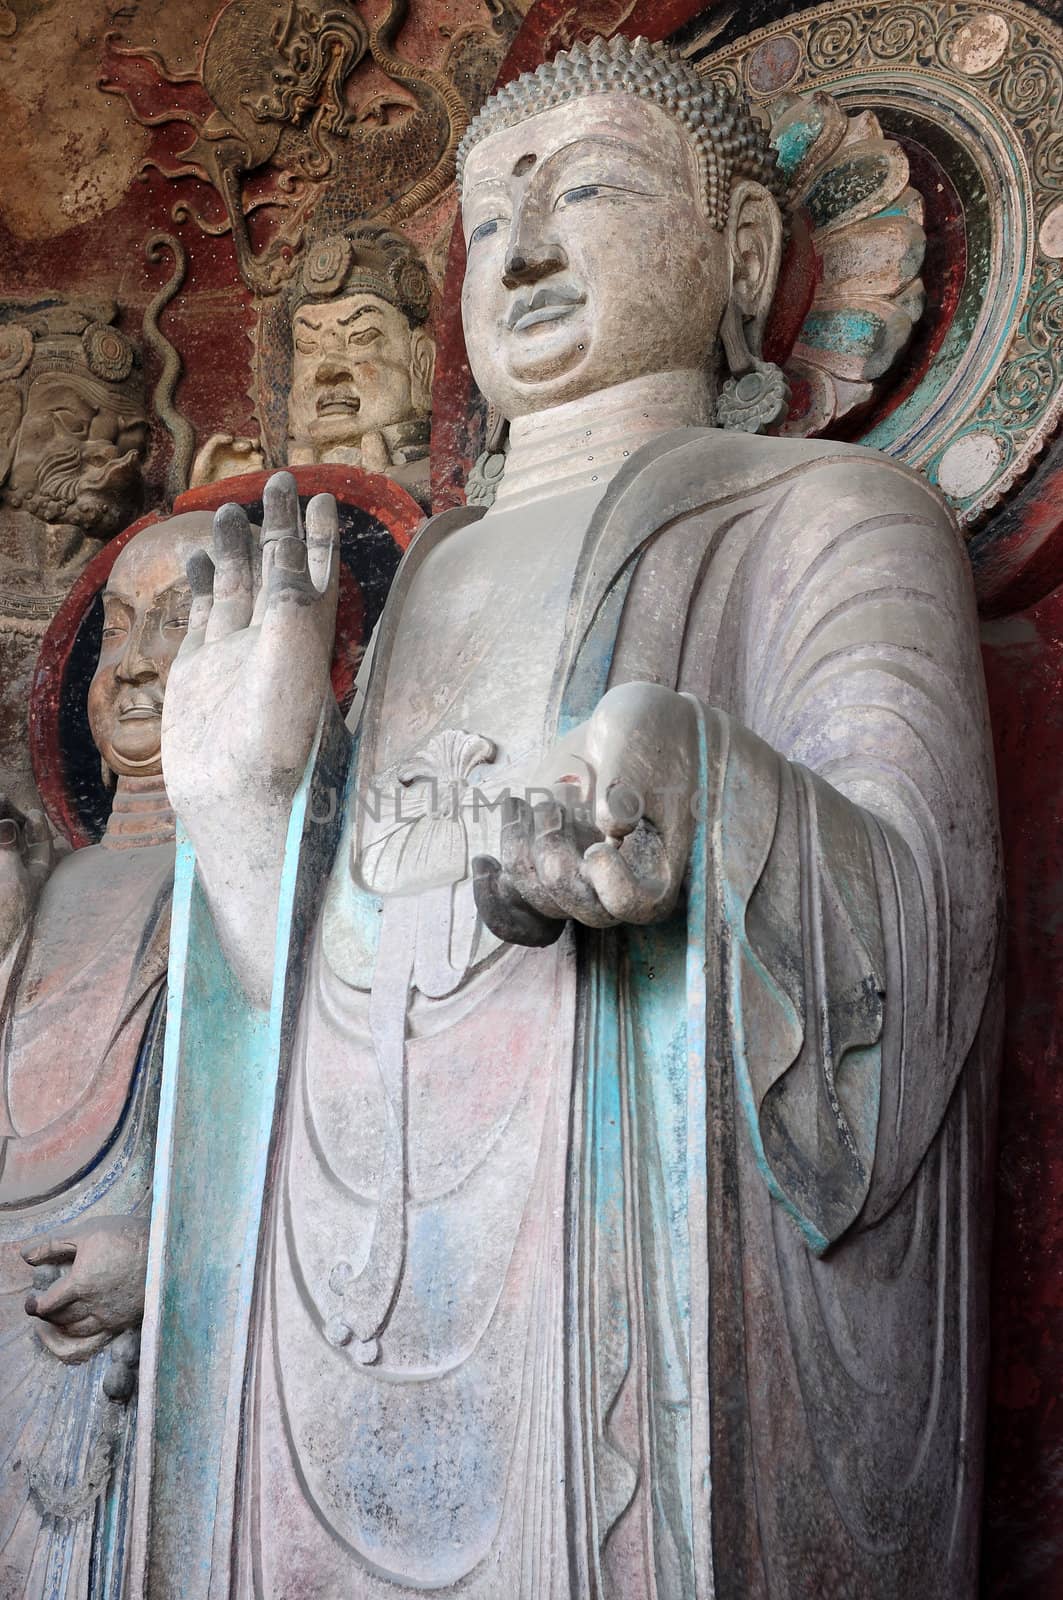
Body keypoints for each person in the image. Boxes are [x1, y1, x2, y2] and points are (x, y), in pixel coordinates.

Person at [148, 36, 1001, 1598]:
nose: (524, 251)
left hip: (626, 1311)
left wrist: (699, 782)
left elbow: (923, 940)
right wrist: (245, 814)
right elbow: (332, 1002)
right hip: (347, 1304)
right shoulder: (414, 592)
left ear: (740, 253)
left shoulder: (826, 516)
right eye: (484, 225)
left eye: (588, 190)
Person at [0, 512, 209, 1598]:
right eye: (120, 627)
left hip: (115, 1339)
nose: (135, 663)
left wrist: (169, 1246)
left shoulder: (261, 886)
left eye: (180, 624)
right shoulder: (47, 888)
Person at [190, 224, 436, 504]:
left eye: (360, 337)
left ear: (422, 364)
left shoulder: (451, 479)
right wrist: (213, 501)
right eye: (307, 346)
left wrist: (385, 492)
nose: (327, 370)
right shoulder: (269, 492)